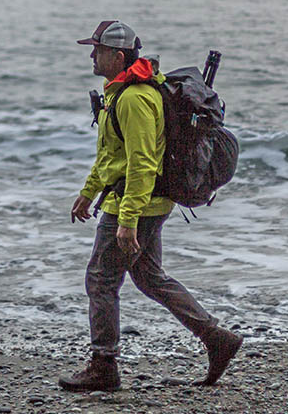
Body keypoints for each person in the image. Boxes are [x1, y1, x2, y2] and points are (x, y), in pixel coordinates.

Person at [59, 20, 243, 392]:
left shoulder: (134, 99)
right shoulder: (120, 93)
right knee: (149, 277)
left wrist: (126, 220)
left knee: (101, 279)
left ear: (118, 55)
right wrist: (89, 191)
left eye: (97, 49)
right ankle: (216, 338)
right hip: (144, 202)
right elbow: (113, 154)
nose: (92, 56)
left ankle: (103, 365)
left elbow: (142, 163)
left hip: (136, 204)